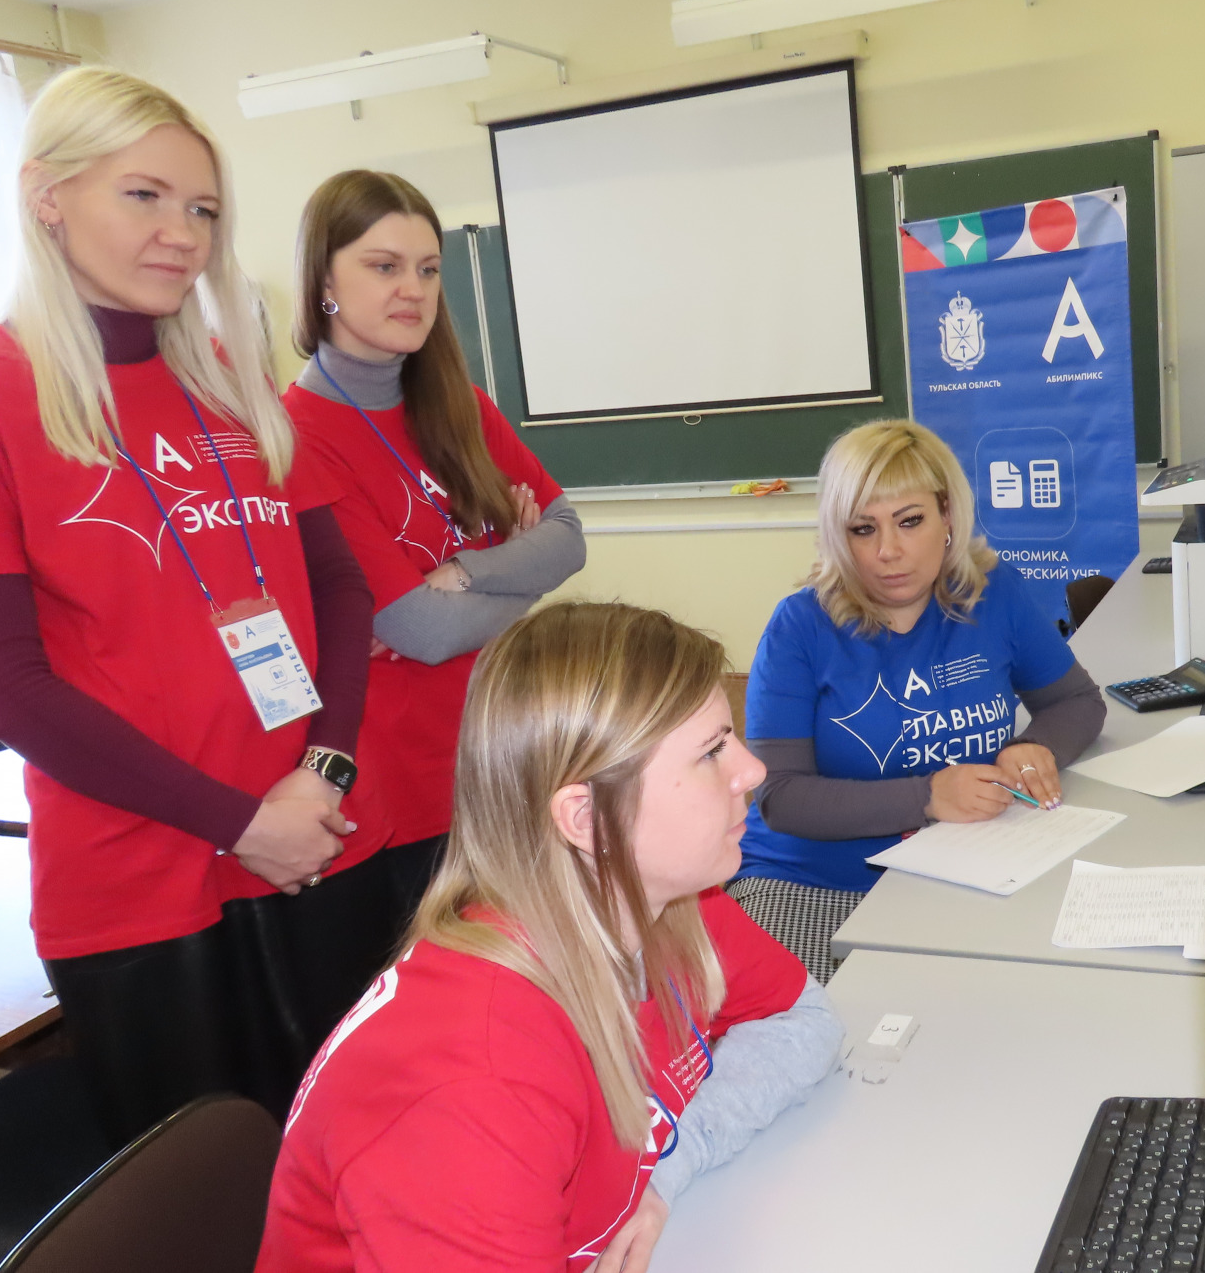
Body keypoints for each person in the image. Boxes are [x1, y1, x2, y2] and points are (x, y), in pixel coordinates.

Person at [0, 66, 378, 1143]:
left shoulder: (229, 377)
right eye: (144, 196)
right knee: (209, 1196)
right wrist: (243, 823)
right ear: (46, 196)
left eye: (202, 209)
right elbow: (6, 690)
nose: (181, 235)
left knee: (347, 1156)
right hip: (145, 881)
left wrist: (321, 772)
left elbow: (339, 588)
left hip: (311, 839)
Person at [259, 602, 842, 1272]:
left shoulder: (664, 901)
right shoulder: (471, 1084)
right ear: (587, 819)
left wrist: (670, 1167)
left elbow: (804, 1018)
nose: (752, 770)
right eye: (711, 752)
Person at [285, 169, 584, 921]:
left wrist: (466, 571)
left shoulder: (460, 405)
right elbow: (419, 629)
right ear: (324, 280)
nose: (412, 290)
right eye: (384, 266)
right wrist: (523, 568)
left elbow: (570, 539)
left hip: (505, 751)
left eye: (427, 269)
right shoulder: (297, 433)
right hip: (403, 788)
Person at [731, 419, 1107, 980]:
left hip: (969, 865)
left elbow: (1076, 702)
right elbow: (779, 797)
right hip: (812, 881)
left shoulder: (993, 593)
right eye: (863, 529)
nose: (888, 551)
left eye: (910, 521)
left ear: (947, 515)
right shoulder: (799, 627)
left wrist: (1034, 748)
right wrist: (927, 796)